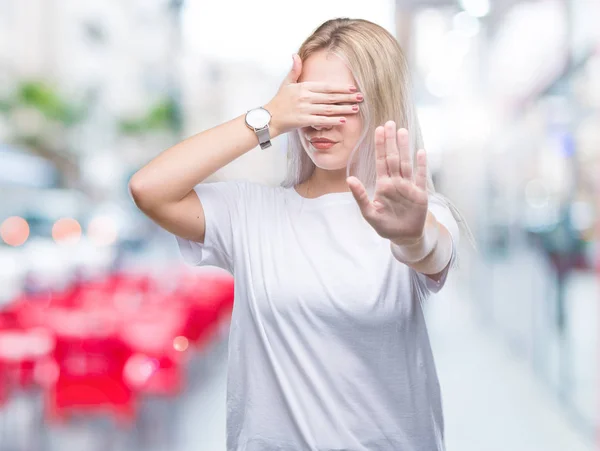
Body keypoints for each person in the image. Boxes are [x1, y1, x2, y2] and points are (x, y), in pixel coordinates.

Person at [130, 17, 468, 451]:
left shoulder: (420, 213)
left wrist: (410, 236)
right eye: (308, 102)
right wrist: (268, 117)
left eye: (339, 103)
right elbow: (148, 188)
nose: (318, 122)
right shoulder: (252, 214)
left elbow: (432, 252)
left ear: (381, 102)